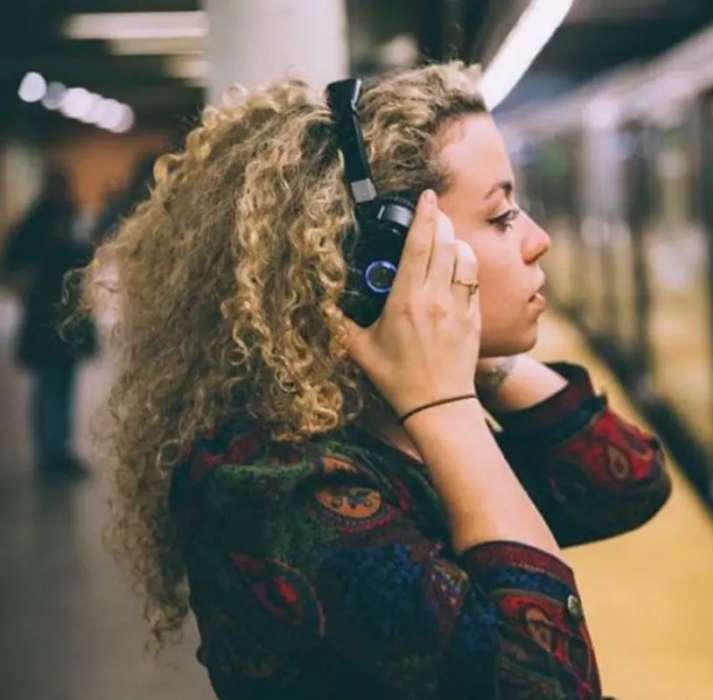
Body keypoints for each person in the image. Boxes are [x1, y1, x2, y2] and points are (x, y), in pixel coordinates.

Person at [69, 62, 670, 699]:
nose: (538, 240)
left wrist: (468, 355)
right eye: (501, 216)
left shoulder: (386, 418)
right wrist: (445, 403)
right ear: (379, 260)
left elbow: (624, 481)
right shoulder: (272, 487)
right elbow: (550, 683)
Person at [1, 165, 96, 478]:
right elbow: (12, 264)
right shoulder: (36, 223)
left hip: (68, 314)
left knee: (62, 384)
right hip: (45, 317)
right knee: (49, 386)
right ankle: (51, 453)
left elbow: (85, 258)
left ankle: (59, 451)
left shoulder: (71, 219)